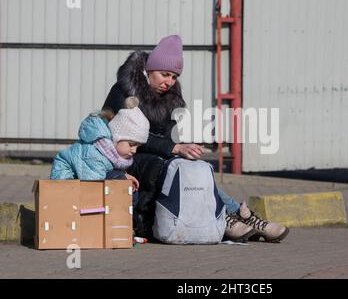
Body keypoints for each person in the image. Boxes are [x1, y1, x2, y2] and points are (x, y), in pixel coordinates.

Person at [102, 35, 289, 243]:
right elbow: (128, 136)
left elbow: (167, 138)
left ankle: (242, 216)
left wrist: (182, 150)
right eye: (164, 75)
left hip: (152, 156)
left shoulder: (170, 98)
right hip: (122, 158)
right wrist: (175, 148)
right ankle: (228, 216)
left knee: (192, 166)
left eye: (174, 77)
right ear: (149, 69)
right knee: (172, 165)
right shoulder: (124, 91)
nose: (169, 82)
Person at [50, 97, 149, 194]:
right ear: (116, 138)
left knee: (123, 183)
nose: (134, 150)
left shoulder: (110, 152)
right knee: (118, 183)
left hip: (85, 177)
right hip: (65, 178)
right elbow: (92, 188)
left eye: (138, 147)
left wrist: (124, 175)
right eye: (131, 144)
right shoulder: (95, 154)